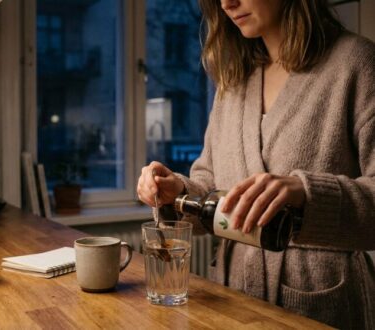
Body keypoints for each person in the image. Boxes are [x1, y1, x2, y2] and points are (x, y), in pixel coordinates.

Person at [137, 0, 375, 328]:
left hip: (323, 310)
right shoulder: (233, 84)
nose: (227, 3)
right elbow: (210, 190)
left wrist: (306, 193)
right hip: (232, 304)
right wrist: (176, 190)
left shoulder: (356, 63)